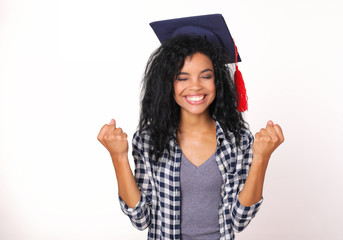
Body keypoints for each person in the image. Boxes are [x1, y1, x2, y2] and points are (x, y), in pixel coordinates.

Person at [97, 14, 284, 240]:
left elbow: (239, 220)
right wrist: (119, 157)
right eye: (182, 78)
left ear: (217, 81)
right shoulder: (148, 139)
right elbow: (140, 219)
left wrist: (261, 158)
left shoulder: (238, 139)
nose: (195, 87)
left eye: (205, 76)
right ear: (167, 83)